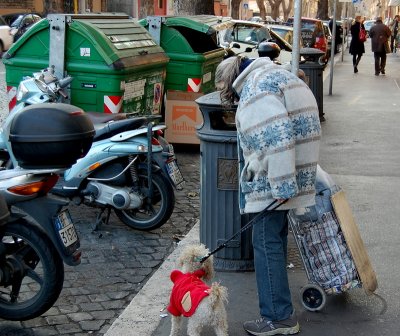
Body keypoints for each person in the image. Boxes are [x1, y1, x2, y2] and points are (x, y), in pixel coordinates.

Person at [215, 56, 321, 336]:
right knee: (273, 240)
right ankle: (280, 313)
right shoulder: (273, 76)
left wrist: (282, 185)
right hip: (292, 171)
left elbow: (277, 137)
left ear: (231, 82)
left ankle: (278, 317)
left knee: (266, 244)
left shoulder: (254, 91)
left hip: (275, 182)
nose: (230, 97)